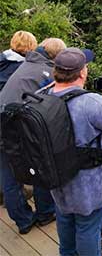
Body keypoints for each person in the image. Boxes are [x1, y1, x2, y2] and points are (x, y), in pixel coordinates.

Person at [48, 48, 102, 256]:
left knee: (65, 222)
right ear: (83, 73)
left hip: (58, 180)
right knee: (88, 228)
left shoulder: (45, 96)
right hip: (88, 186)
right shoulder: (90, 102)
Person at [0, 37, 66, 234]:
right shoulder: (46, 72)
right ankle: (45, 213)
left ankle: (23, 221)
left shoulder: (26, 62)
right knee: (40, 168)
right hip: (16, 129)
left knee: (9, 178)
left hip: (3, 125)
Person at [0, 31, 37, 205]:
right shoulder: (21, 69)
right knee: (11, 169)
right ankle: (20, 211)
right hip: (7, 123)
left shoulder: (2, 60)